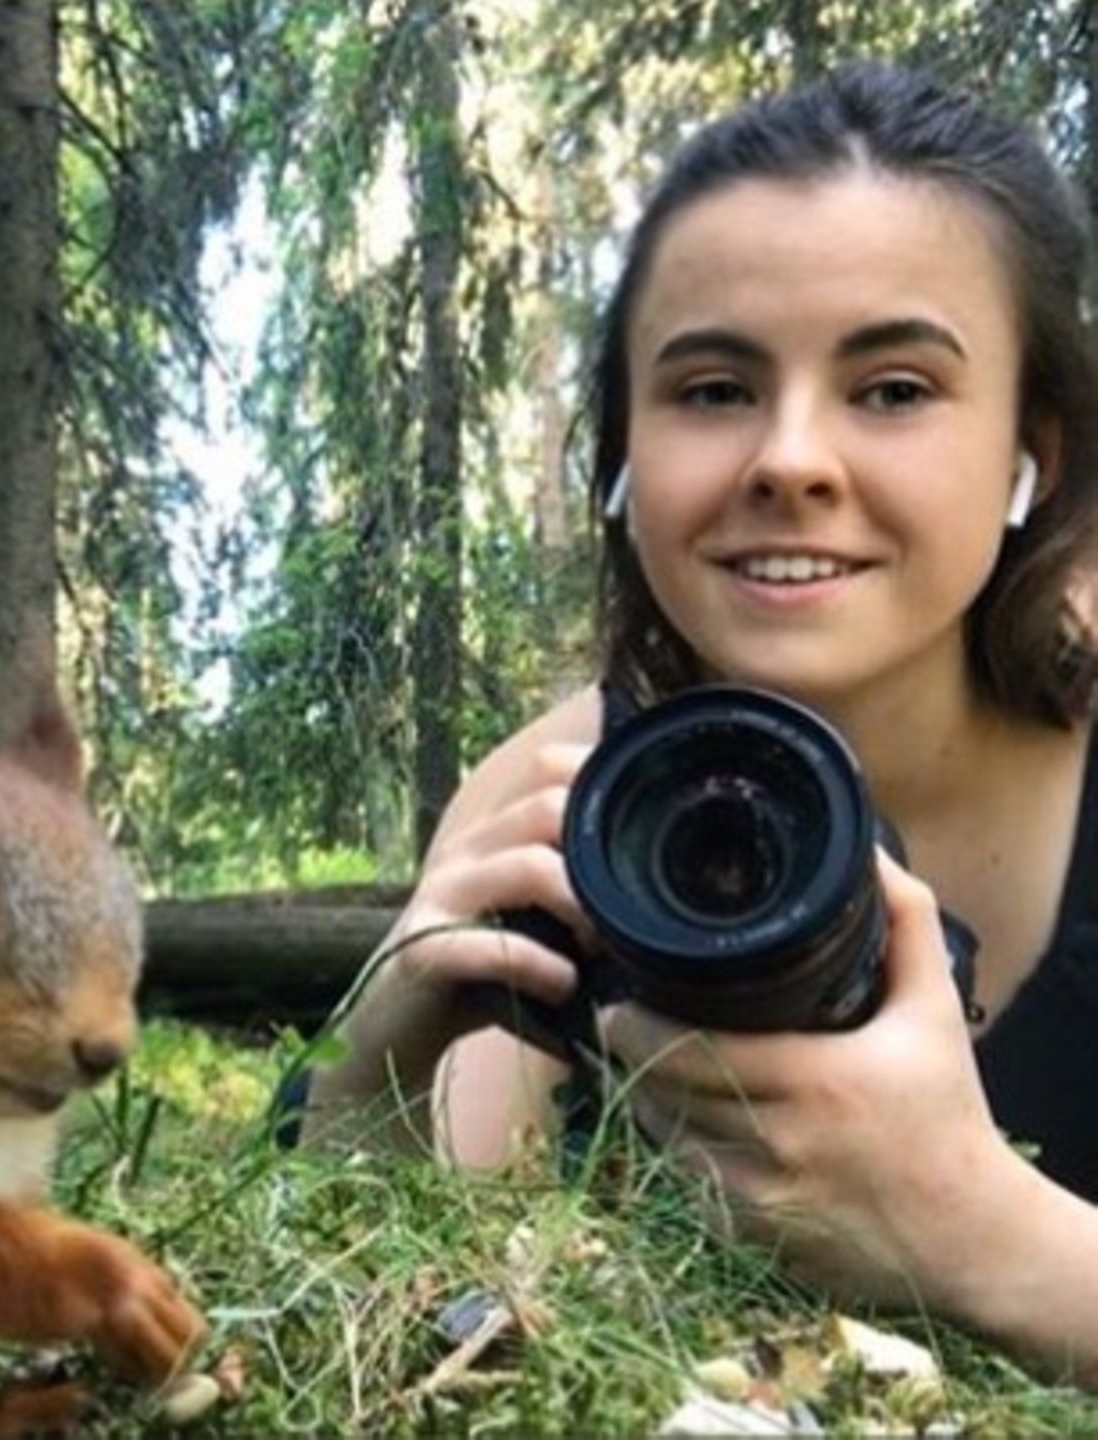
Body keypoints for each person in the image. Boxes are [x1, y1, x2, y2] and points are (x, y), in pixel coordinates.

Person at [299, 61, 1098, 1382]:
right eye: (713, 389)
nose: (789, 457)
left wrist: (976, 1226)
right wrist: (367, 1074)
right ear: (624, 456)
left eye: (894, 387)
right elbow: (424, 1315)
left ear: (1037, 451)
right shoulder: (554, 802)